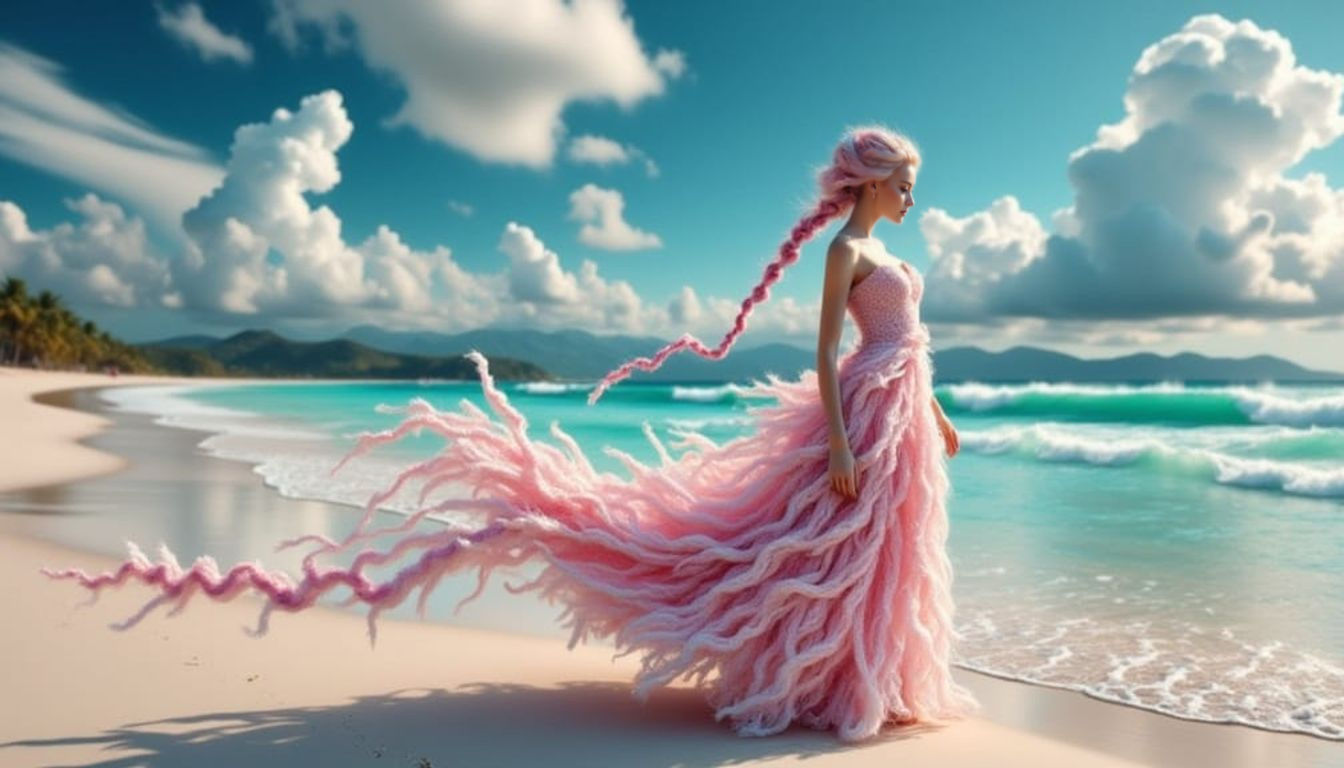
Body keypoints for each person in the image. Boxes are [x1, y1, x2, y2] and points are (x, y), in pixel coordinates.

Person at [43, 125, 981, 742]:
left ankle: (868, 677)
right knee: (822, 548)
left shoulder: (893, 256)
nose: (915, 197)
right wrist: (841, 443)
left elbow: (916, 342)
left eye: (916, 185)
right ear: (874, 179)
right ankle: (822, 679)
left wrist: (932, 411)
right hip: (860, 407)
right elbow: (826, 353)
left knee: (884, 551)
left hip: (902, 405)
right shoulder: (846, 253)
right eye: (908, 182)